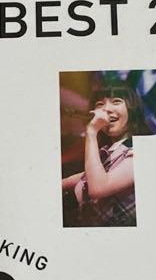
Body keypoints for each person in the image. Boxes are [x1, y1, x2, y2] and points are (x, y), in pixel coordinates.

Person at [62, 82, 145, 226]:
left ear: (133, 108)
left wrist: (91, 131)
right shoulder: (107, 151)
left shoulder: (142, 147)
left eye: (116, 101)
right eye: (99, 104)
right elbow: (85, 176)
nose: (106, 109)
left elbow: (98, 188)